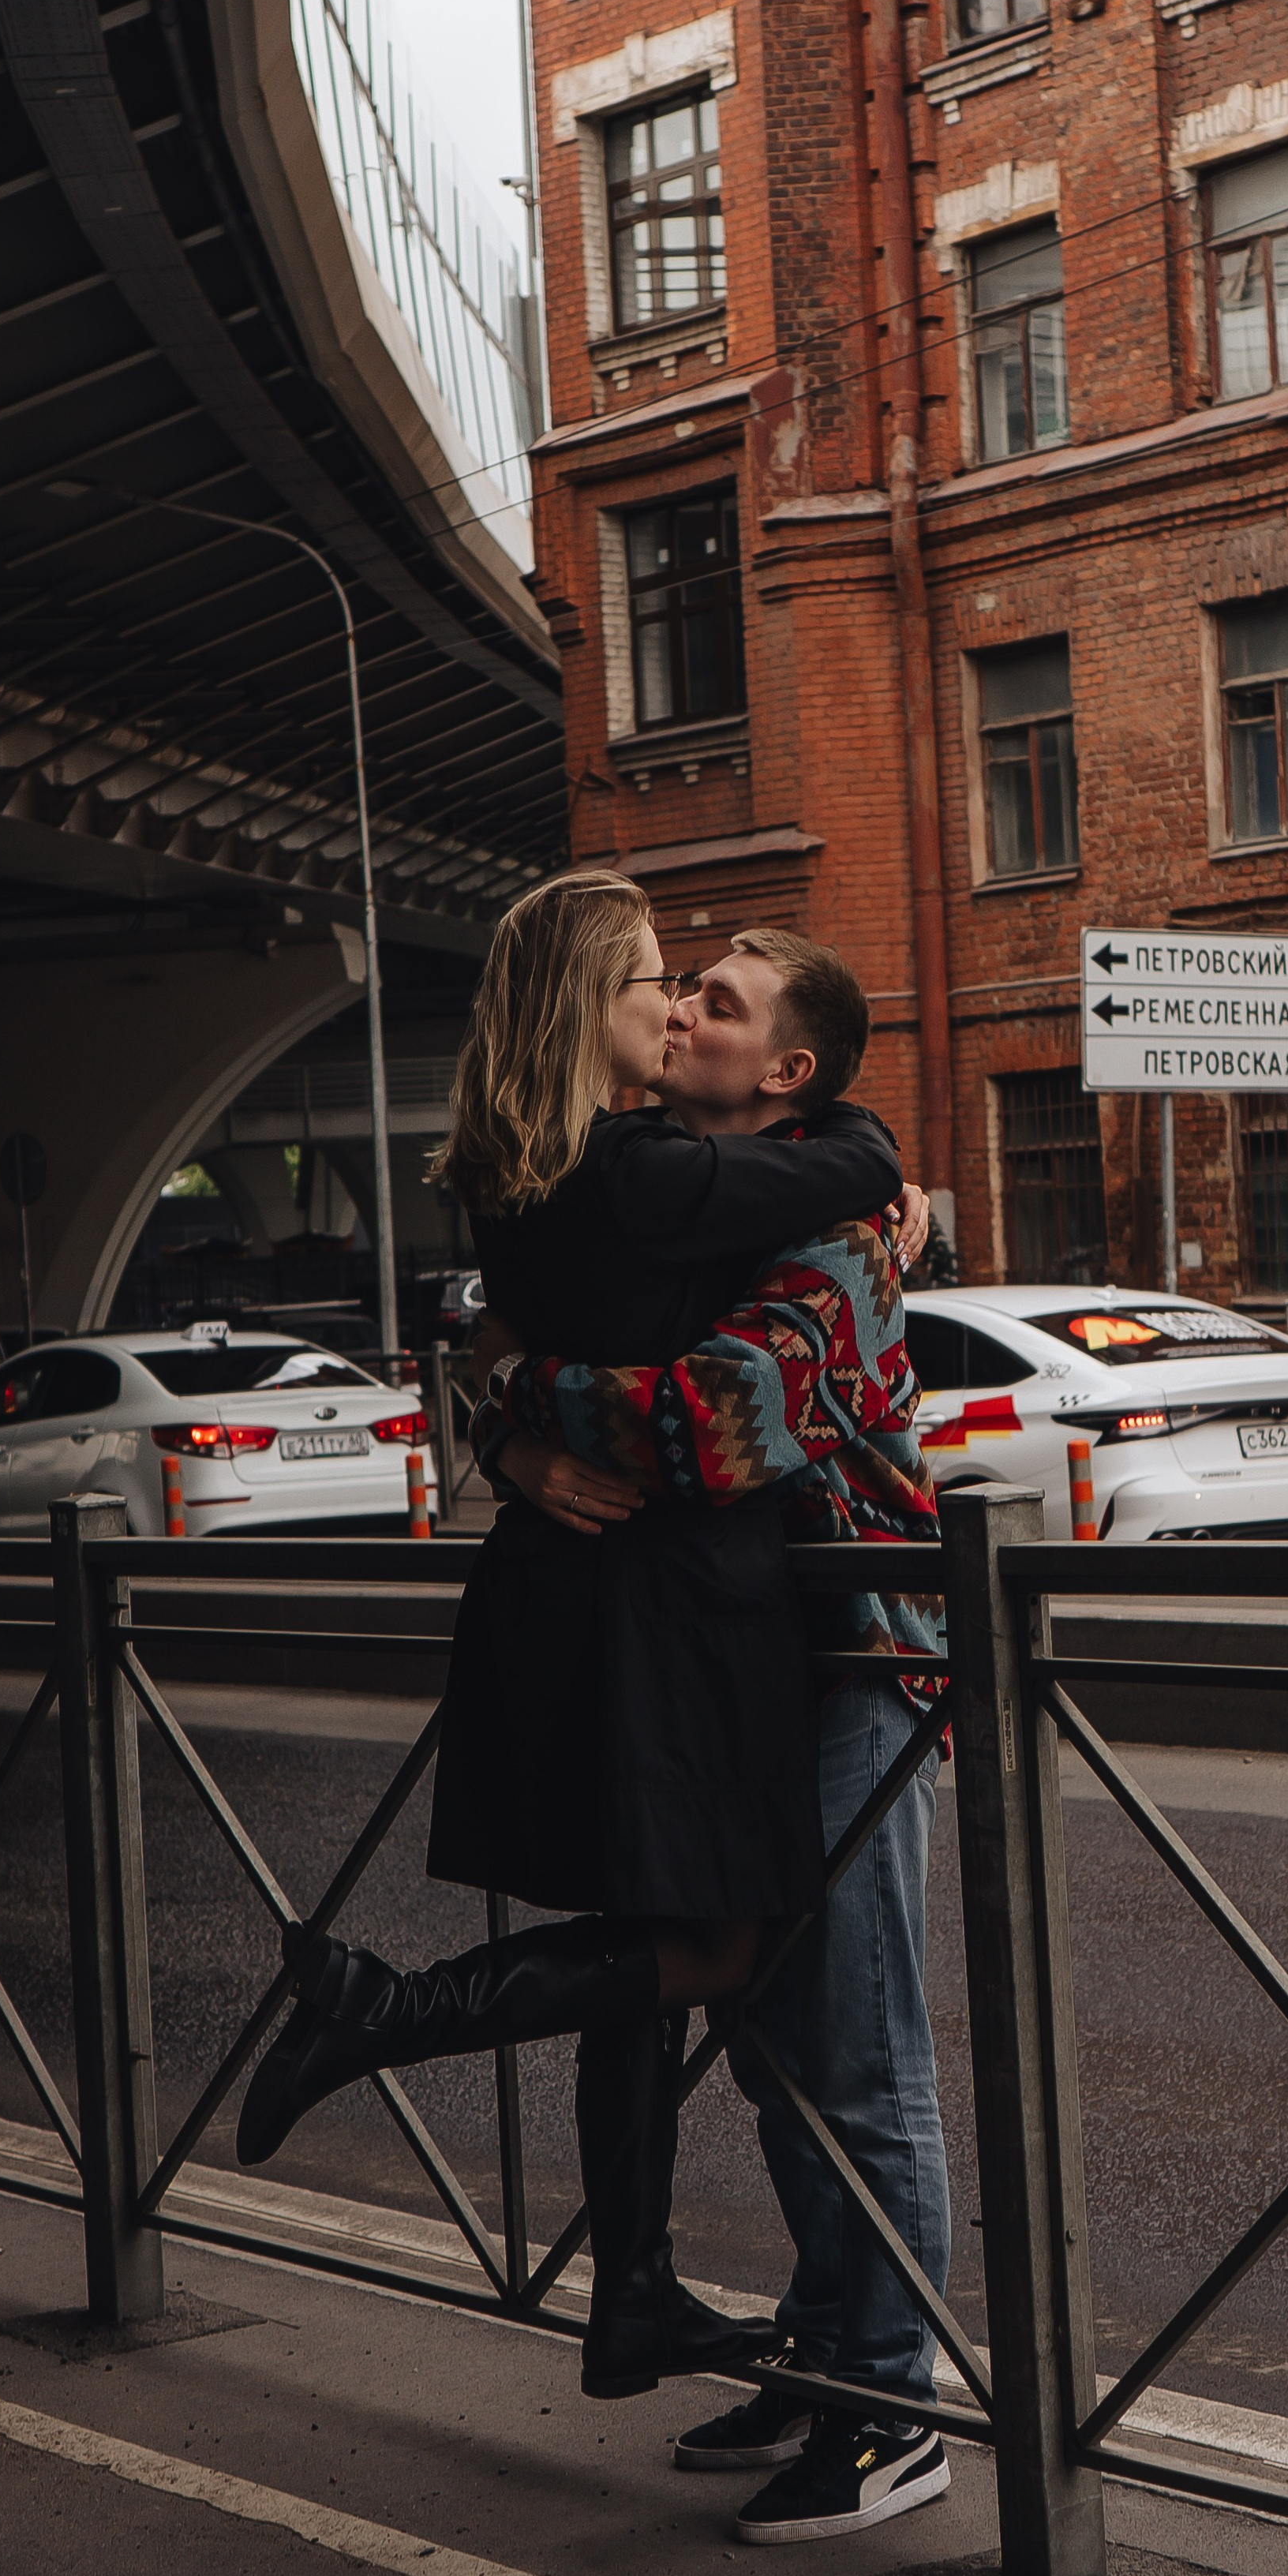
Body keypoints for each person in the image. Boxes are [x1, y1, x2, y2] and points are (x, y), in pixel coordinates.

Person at [234, 871, 905, 2411]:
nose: (673, 1005)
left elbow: (501, 1344)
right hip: (667, 1606)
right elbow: (861, 1154)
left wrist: (512, 1421)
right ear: (585, 1009)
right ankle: (384, 2010)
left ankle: (636, 2291)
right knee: (715, 1943)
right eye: (653, 982)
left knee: (635, 1952)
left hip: (565, 1580)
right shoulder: (646, 1172)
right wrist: (878, 1183)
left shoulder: (515, 1168)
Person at [491, 930, 956, 2546]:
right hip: (737, 1673)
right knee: (766, 2042)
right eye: (679, 986)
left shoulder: (843, 1238)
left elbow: (706, 1428)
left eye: (719, 1002)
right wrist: (504, 1405)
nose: (680, 1008)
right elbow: (516, 1315)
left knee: (857, 2049)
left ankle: (891, 2409)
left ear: (786, 1073)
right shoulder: (689, 1208)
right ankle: (826, 2354)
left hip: (857, 1672)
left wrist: (518, 1388)